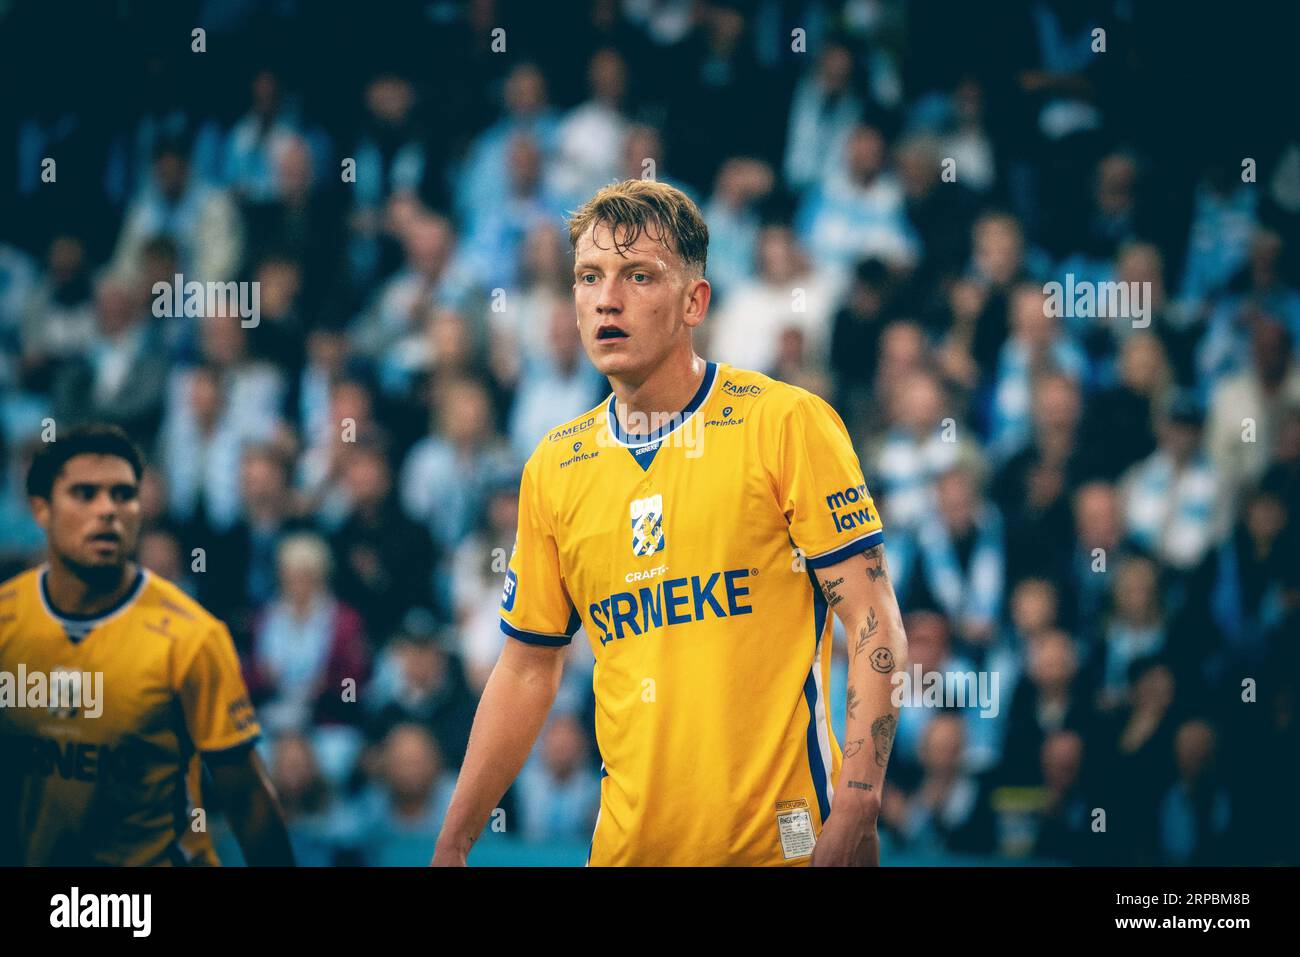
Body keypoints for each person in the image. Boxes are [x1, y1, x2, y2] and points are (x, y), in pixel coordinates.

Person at [432, 179, 908, 867]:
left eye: (639, 276)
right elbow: (527, 668)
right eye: (589, 277)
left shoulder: (784, 423)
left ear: (695, 301)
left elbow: (873, 619)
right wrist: (453, 842)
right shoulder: (554, 468)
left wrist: (859, 801)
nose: (607, 297)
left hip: (788, 845)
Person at [0, 425, 294, 865]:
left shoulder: (192, 637)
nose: (107, 511)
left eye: (123, 495)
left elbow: (248, 801)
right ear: (41, 509)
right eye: (84, 494)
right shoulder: (6, 620)